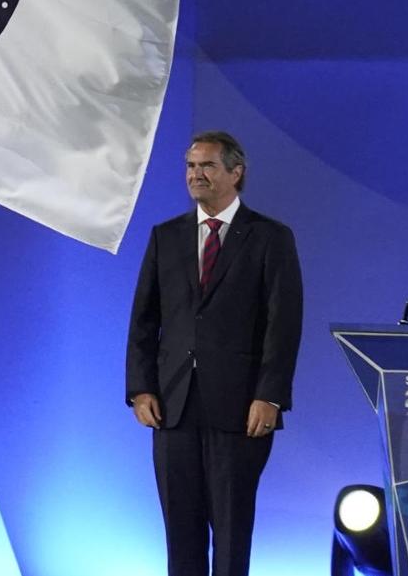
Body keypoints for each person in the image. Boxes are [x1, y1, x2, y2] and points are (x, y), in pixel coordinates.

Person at [125, 130, 304, 576]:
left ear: (235, 173)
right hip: (173, 406)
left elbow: (283, 325)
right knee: (180, 533)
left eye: (207, 166)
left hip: (241, 408)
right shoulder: (165, 236)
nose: (195, 175)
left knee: (230, 531)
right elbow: (144, 320)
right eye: (190, 166)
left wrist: (271, 395)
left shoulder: (269, 237)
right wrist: (140, 388)